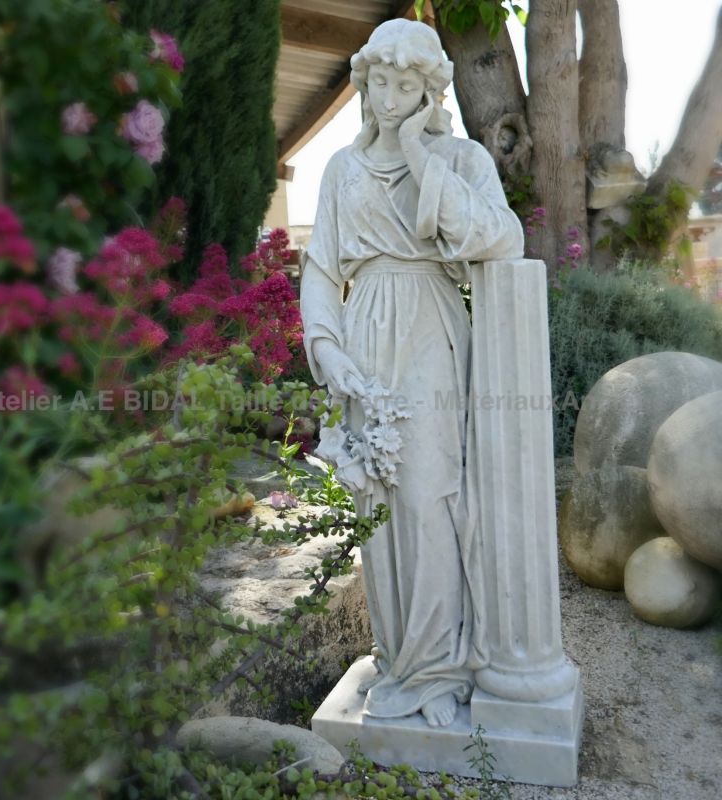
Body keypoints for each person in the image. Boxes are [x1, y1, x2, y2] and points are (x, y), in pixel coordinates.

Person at [300, 19, 523, 727]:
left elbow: (500, 238)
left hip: (429, 327)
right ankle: (397, 656)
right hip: (363, 332)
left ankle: (439, 669)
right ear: (364, 85)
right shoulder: (341, 170)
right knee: (382, 505)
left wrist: (419, 154)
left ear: (430, 93)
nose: (391, 99)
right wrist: (326, 346)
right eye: (381, 84)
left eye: (408, 86)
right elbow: (321, 267)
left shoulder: (459, 160)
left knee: (429, 493)